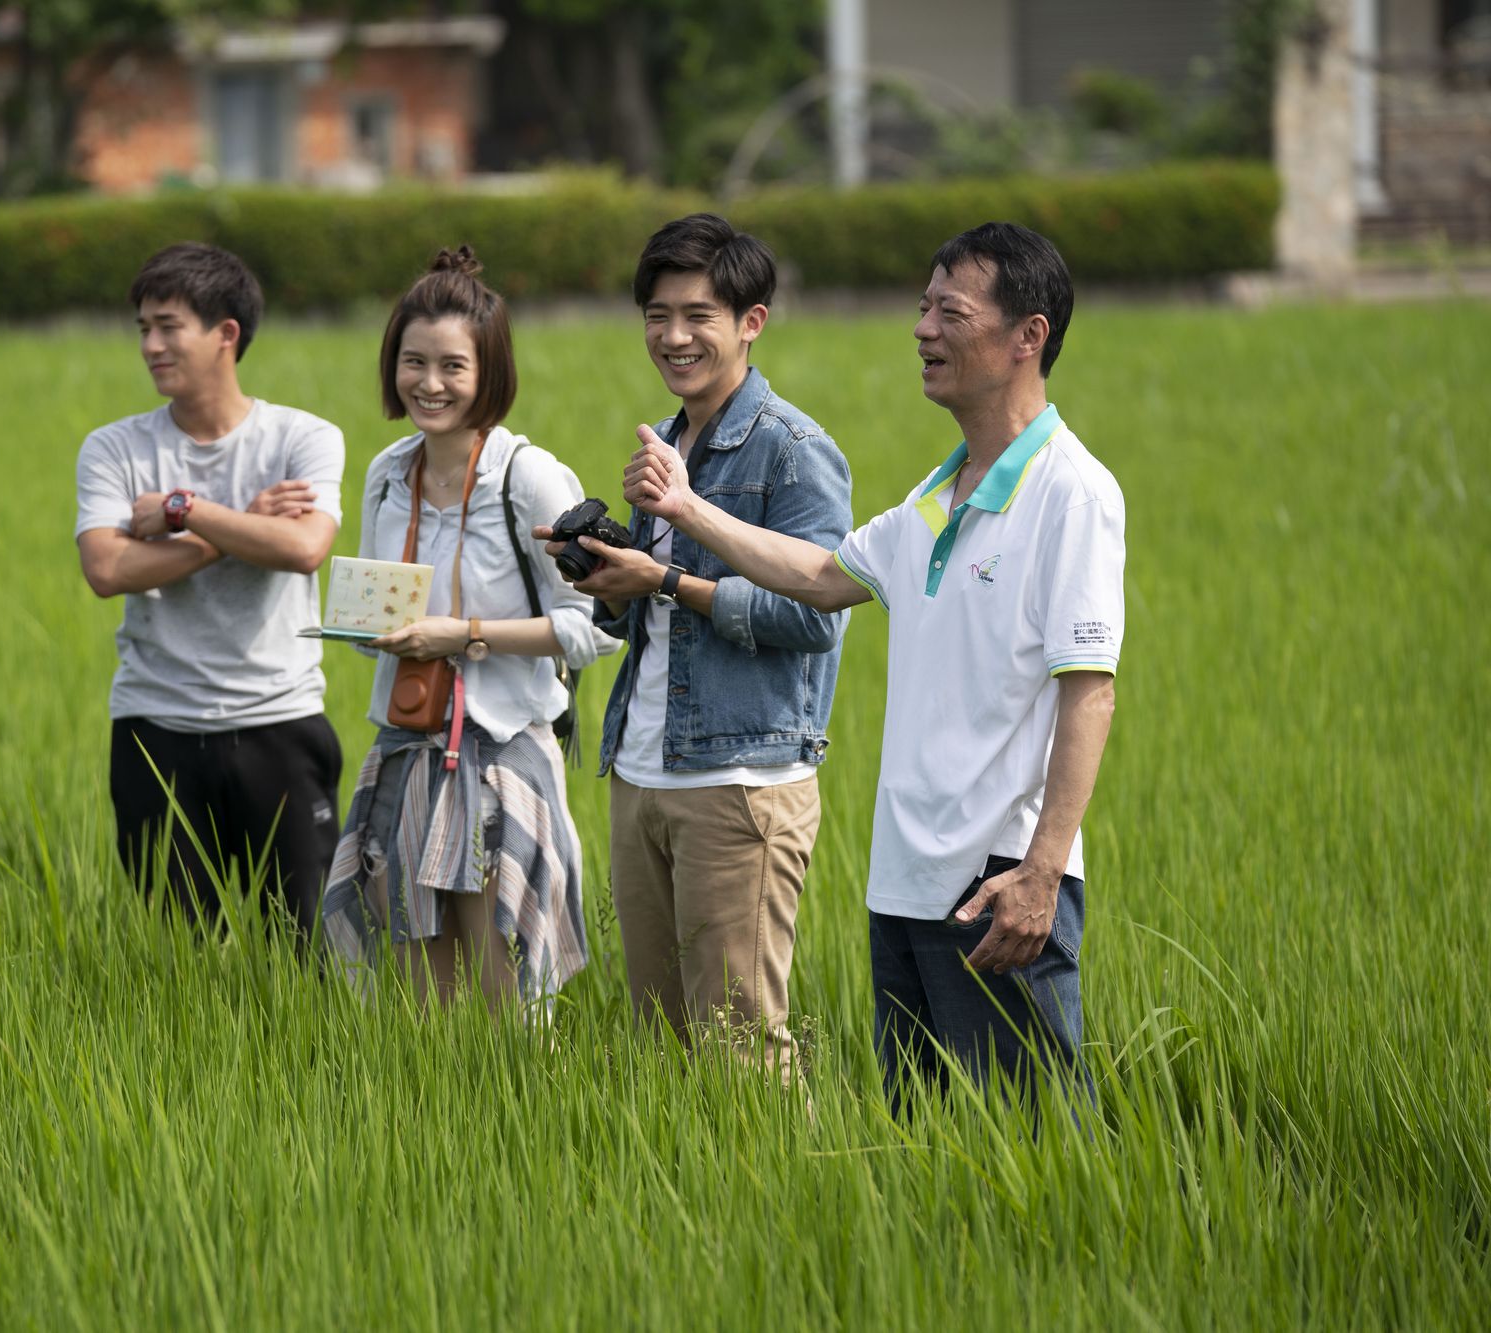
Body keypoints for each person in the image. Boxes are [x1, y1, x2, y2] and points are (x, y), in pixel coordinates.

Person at [621, 222, 1124, 1103]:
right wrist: (687, 513)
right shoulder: (939, 492)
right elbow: (819, 577)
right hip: (903, 879)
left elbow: (1089, 694)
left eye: (949, 312)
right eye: (923, 307)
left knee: (1031, 1145)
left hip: (996, 879)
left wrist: (1042, 871)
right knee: (923, 1139)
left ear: (1027, 336)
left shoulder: (1069, 490)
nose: (923, 329)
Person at [537, 213, 854, 1073]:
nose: (673, 336)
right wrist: (605, 575)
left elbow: (816, 616)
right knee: (662, 1043)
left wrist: (669, 577)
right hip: (643, 771)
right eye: (655, 315)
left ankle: (787, 1199)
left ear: (751, 321)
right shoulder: (664, 443)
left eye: (697, 315)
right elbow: (646, 615)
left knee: (740, 1045)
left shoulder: (794, 450)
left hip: (740, 781)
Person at [320, 246, 618, 1009]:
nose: (429, 383)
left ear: (489, 371)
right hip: (407, 745)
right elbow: (386, 599)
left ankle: (523, 1120)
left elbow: (597, 624)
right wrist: (367, 628)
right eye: (412, 362)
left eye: (452, 366)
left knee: (506, 985)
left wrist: (463, 635)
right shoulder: (389, 471)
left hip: (502, 747)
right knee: (418, 990)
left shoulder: (528, 477)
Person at [74, 241, 345, 937]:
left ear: (227, 333)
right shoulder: (114, 448)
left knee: (308, 947)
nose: (151, 345)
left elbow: (304, 547)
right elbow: (106, 570)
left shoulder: (302, 438)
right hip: (155, 727)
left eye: (169, 326)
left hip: (279, 721)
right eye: (143, 328)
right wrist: (240, 525)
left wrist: (181, 511)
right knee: (182, 954)